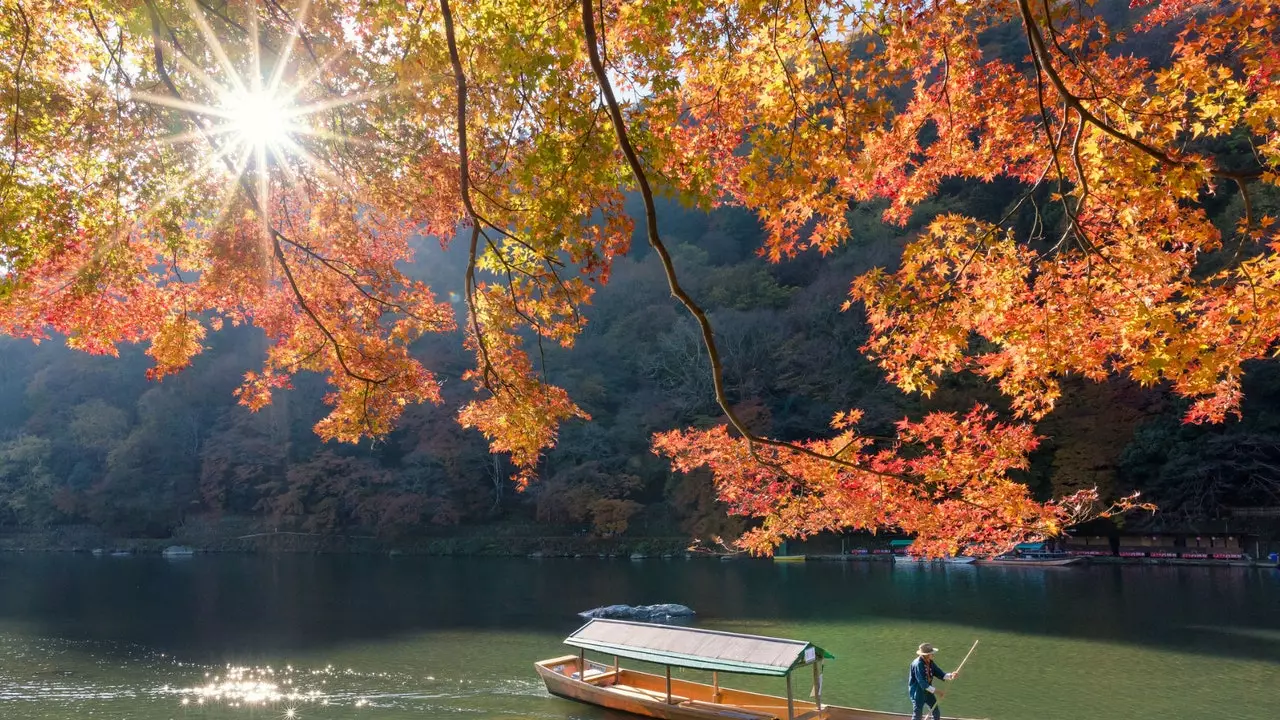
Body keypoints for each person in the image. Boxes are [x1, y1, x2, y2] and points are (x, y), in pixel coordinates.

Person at [908, 643, 957, 720]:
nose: (933, 655)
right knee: (917, 715)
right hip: (918, 692)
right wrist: (937, 692)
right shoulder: (918, 664)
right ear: (926, 655)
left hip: (928, 692)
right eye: (931, 654)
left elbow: (940, 673)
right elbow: (923, 684)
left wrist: (951, 675)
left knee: (936, 711)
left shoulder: (930, 662)